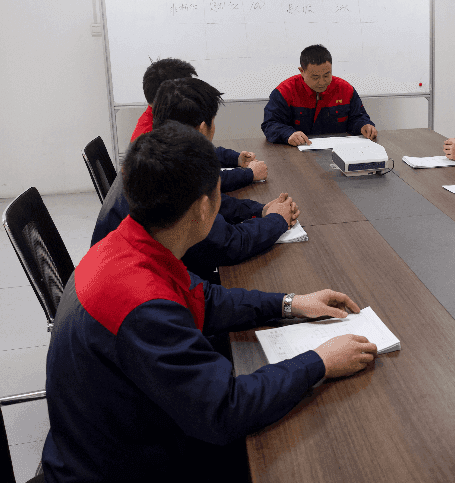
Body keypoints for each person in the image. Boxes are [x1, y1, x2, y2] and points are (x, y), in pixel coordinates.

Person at [43, 122, 378, 482]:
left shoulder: (128, 243)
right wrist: (320, 361)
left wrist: (291, 303)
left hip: (126, 432)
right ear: (205, 208)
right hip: (124, 467)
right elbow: (225, 410)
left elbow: (204, 297)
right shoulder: (142, 304)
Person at [93, 78, 297, 281]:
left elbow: (208, 201)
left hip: (135, 273)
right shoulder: (170, 171)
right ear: (201, 129)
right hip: (145, 283)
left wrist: (260, 210)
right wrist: (277, 220)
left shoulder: (157, 152)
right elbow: (229, 245)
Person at [131, 57, 267, 191]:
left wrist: (235, 159)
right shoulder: (151, 138)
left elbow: (198, 152)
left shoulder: (165, 121)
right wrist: (249, 174)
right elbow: (198, 181)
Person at [262, 44, 377, 146]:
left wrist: (364, 125)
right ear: (302, 71)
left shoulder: (345, 89)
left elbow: (357, 117)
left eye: (327, 75)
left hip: (338, 151)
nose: (322, 82)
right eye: (315, 77)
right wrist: (288, 134)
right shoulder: (285, 91)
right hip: (297, 153)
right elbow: (270, 124)